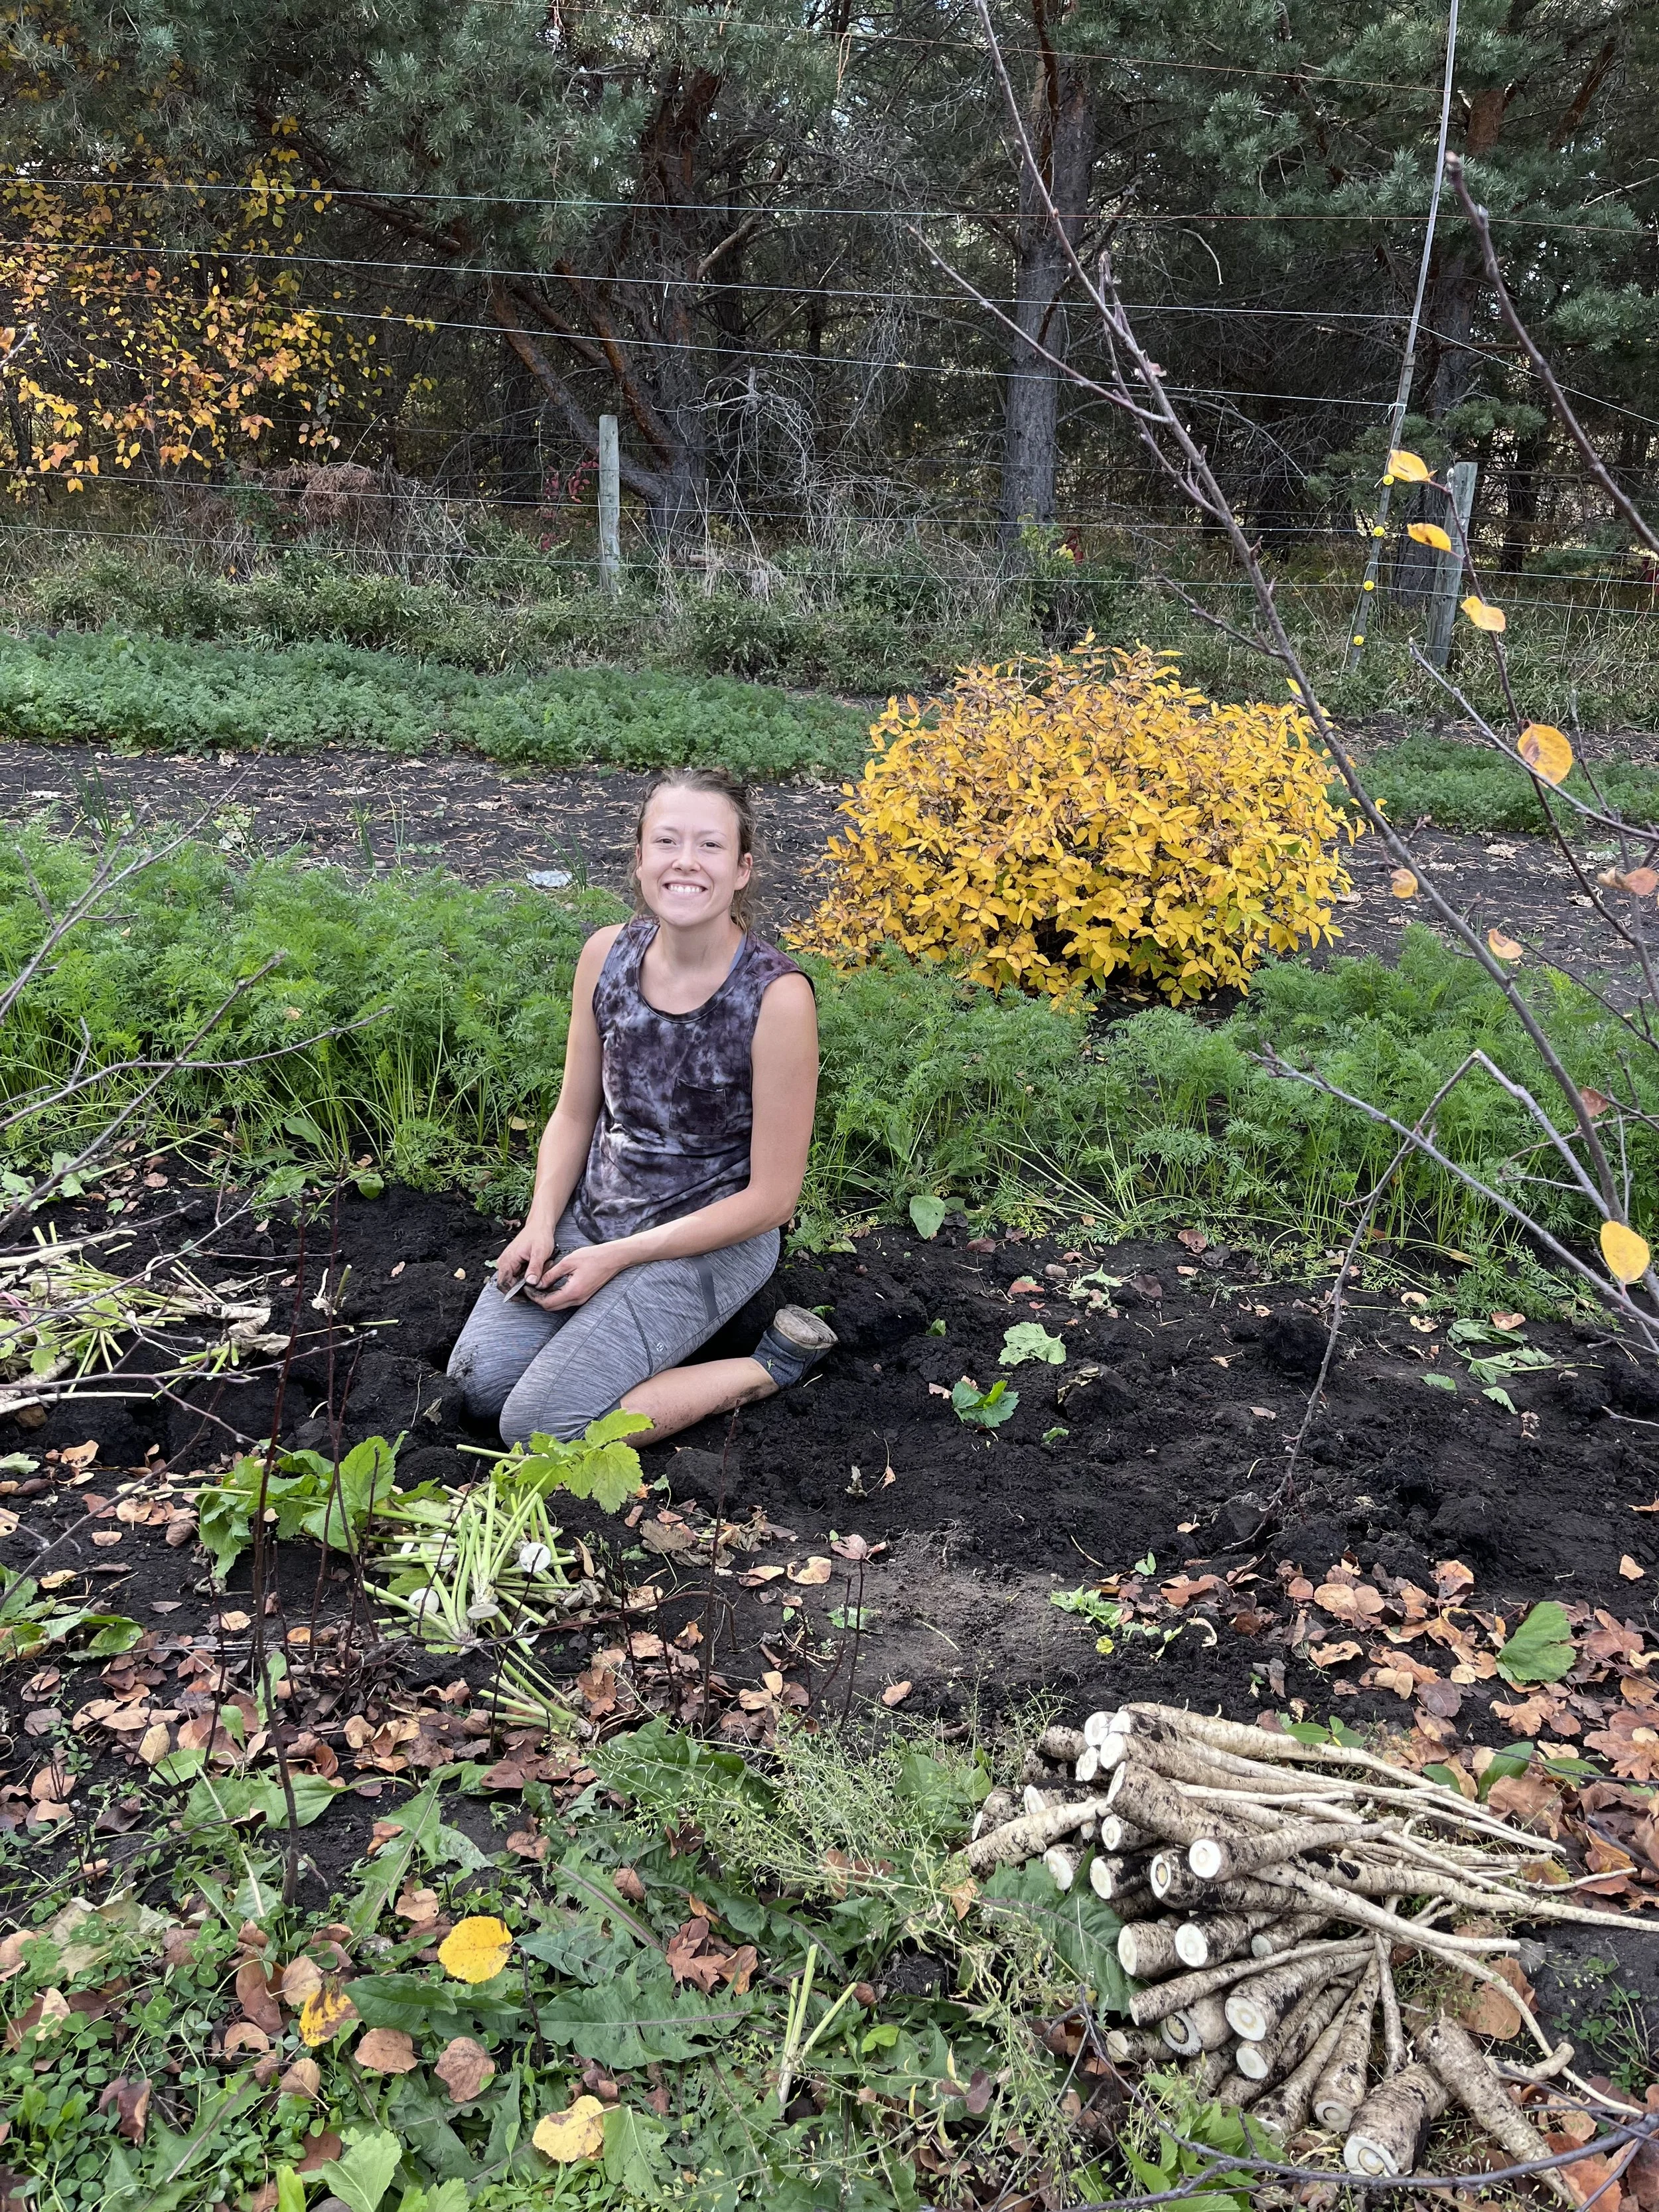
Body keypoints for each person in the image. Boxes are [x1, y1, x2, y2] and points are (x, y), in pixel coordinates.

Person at [447, 765, 836, 1447]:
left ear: (742, 869)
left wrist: (620, 1259)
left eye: (710, 846)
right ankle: (632, 1347)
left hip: (709, 1242)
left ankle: (770, 1362)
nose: (686, 862)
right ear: (639, 858)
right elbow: (574, 1115)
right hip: (596, 1216)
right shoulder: (606, 955)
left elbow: (774, 1200)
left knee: (542, 1429)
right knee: (476, 1386)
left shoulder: (776, 998)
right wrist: (541, 1225)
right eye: (667, 842)